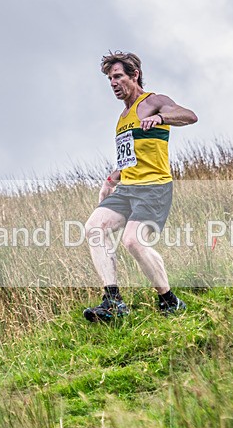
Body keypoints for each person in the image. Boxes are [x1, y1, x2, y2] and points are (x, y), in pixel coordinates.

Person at [83, 51, 198, 322]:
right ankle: (113, 302)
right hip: (127, 188)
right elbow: (129, 159)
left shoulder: (153, 102)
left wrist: (161, 118)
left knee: (132, 241)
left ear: (134, 75)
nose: (113, 82)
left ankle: (169, 301)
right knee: (93, 228)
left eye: (118, 76)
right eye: (110, 78)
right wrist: (111, 180)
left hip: (153, 187)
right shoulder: (123, 118)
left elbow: (190, 116)